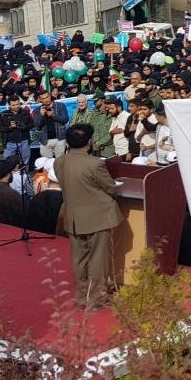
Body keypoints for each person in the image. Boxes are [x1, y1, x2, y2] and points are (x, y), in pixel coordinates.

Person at [55, 124, 123, 309]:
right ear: (90, 142)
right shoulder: (95, 164)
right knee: (98, 260)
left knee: (79, 259)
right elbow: (110, 187)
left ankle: (81, 295)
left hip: (74, 217)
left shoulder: (60, 161)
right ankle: (97, 298)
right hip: (98, 216)